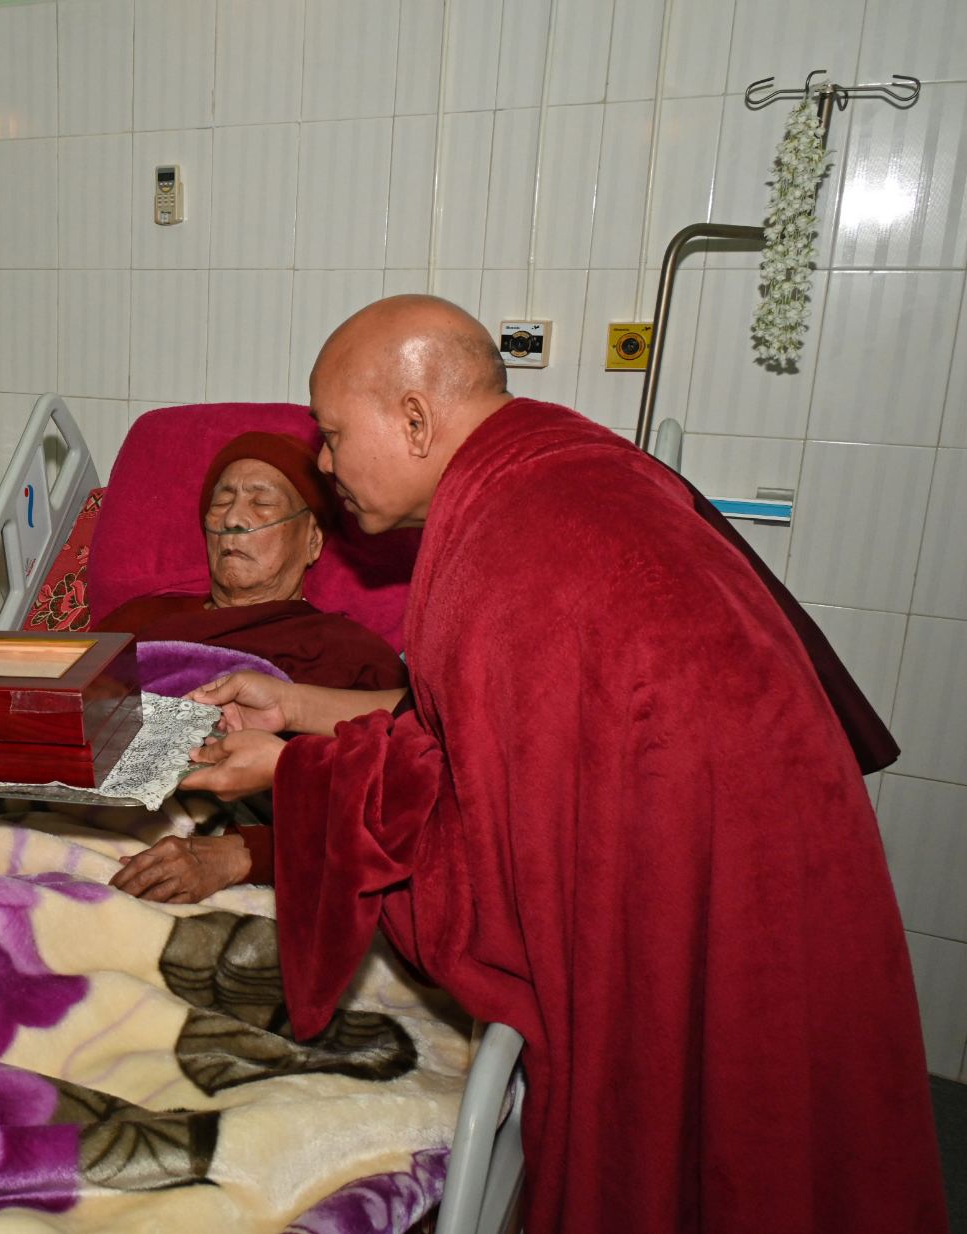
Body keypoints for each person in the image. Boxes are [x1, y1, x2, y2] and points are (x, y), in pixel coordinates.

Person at [180, 295, 948, 1233]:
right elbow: (465, 727)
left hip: (721, 888)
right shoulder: (551, 472)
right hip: (784, 843)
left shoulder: (517, 556)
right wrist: (298, 711)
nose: (327, 464)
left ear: (415, 420)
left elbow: (485, 857)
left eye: (334, 437)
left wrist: (292, 777)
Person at [100, 431, 406, 905]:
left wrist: (244, 855)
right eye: (222, 503)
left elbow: (392, 805)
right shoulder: (137, 620)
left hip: (242, 856)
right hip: (88, 816)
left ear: (312, 540)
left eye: (262, 504)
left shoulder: (350, 655)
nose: (234, 519)